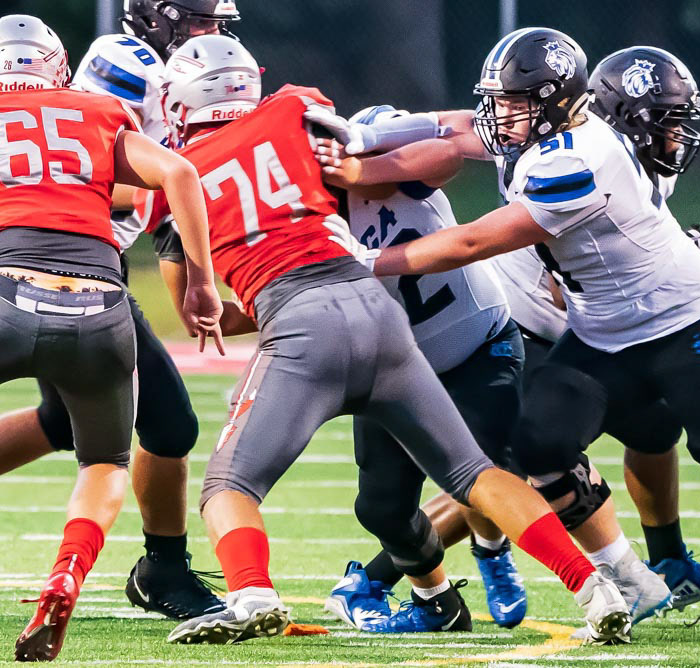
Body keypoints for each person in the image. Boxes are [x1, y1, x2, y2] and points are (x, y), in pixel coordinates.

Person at [319, 28, 700, 608]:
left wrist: (368, 260)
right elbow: (454, 126)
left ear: (557, 102)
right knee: (534, 444)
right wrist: (363, 140)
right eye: (502, 102)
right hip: (601, 334)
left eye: (514, 104)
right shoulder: (546, 129)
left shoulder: (577, 159)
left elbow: (471, 242)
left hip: (686, 326)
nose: (500, 116)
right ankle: (634, 580)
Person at [137, 35, 631, 645]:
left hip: (297, 321)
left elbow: (201, 310)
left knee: (229, 486)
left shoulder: (168, 180)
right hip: (376, 308)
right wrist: (363, 166)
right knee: (473, 472)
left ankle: (252, 592)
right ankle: (594, 587)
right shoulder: (293, 108)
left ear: (179, 100)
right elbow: (423, 138)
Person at [0, 0, 241, 621]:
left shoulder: (175, 71)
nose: (212, 34)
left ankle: (162, 570)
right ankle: (163, 568)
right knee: (145, 428)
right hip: (87, 268)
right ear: (160, 17)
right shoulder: (122, 66)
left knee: (82, 423)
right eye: (202, 22)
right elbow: (123, 185)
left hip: (57, 267)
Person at [319, 104, 529, 630]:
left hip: (477, 343)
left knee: (487, 471)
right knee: (380, 509)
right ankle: (436, 603)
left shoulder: (394, 172)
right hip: (395, 367)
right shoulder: (310, 214)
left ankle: (492, 549)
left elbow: (445, 152)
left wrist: (361, 168)